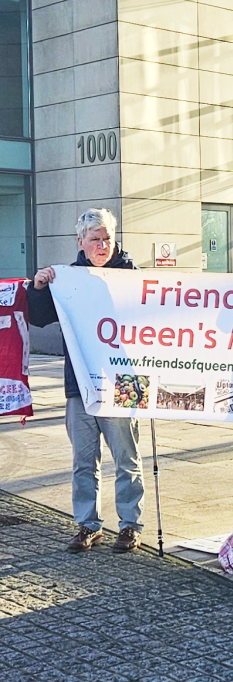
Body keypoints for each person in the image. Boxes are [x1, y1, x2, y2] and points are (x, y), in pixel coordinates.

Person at [26, 208, 145, 554]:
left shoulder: (130, 275)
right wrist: (38, 287)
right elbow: (41, 317)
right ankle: (87, 525)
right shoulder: (67, 278)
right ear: (81, 242)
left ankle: (130, 525)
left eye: (108, 238)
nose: (103, 244)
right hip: (80, 384)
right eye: (96, 239)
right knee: (83, 459)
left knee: (126, 457)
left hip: (122, 382)